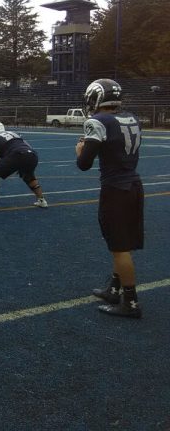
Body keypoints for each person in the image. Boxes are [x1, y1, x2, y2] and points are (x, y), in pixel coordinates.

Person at [76, 79, 144, 319]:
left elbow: (84, 164)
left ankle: (131, 302)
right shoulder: (132, 117)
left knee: (119, 247)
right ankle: (114, 289)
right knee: (122, 243)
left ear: (96, 97)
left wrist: (80, 150)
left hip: (115, 189)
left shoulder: (97, 121)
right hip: (134, 185)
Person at [0, 121, 48, 209]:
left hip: (17, 154)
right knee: (29, 177)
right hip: (32, 154)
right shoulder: (15, 134)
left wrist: (1, 167)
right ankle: (42, 200)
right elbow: (27, 145)